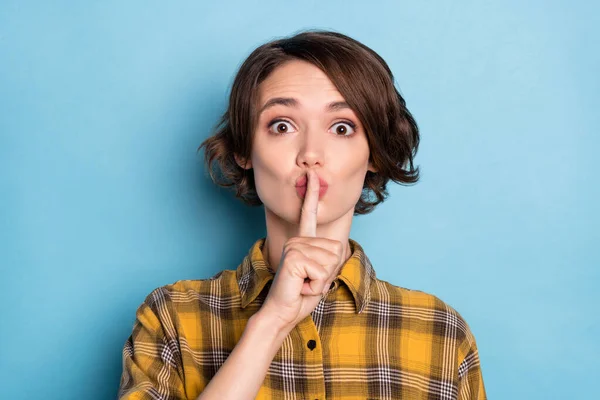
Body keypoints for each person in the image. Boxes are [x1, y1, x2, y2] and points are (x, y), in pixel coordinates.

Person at [118, 30, 486, 400]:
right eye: (282, 125)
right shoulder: (171, 318)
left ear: (373, 153)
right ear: (245, 149)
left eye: (342, 128)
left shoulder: (441, 332)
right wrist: (271, 324)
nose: (311, 153)